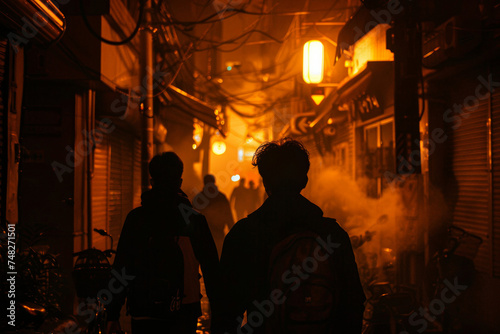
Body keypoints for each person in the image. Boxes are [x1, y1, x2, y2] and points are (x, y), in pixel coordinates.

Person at [213, 138, 366, 334]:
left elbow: (226, 311)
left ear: (265, 181)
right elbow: (354, 302)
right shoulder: (333, 234)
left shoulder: (245, 234)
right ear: (304, 180)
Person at [106, 152, 220, 334]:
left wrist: (112, 314)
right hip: (184, 311)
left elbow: (122, 268)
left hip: (144, 308)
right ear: (179, 183)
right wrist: (220, 317)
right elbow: (212, 271)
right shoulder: (194, 220)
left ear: (152, 182)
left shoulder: (137, 219)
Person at [194, 174, 234, 258]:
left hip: (203, 238)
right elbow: (229, 217)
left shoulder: (199, 199)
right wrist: (233, 233)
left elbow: (192, 219)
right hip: (218, 235)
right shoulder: (221, 197)